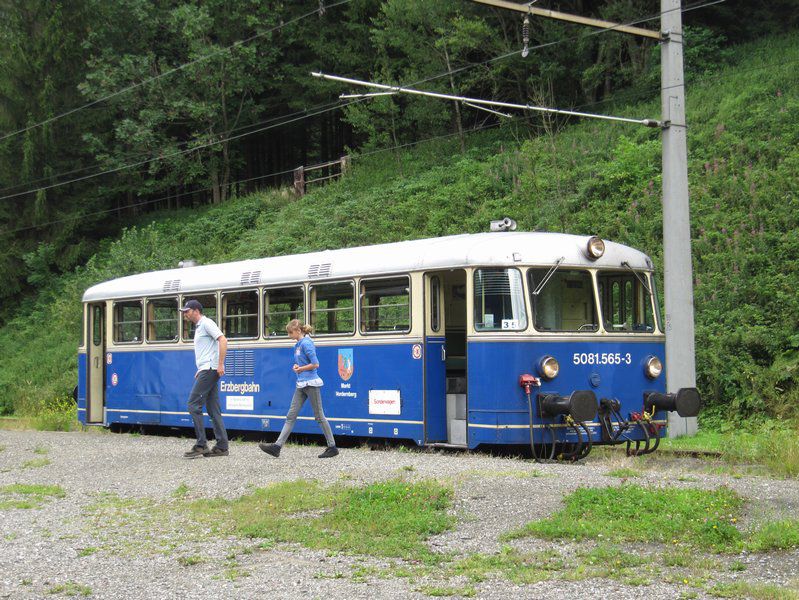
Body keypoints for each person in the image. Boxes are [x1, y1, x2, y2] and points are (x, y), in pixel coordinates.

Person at [259, 319, 339, 459]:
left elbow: (315, 364)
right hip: (301, 383)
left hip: (311, 384)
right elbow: (303, 362)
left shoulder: (307, 343)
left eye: (291, 332)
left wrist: (300, 368)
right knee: (291, 415)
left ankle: (332, 447)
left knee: (319, 416)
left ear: (298, 331)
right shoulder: (298, 344)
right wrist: (297, 367)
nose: (289, 335)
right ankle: (277, 447)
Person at [180, 299, 229, 458]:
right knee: (213, 409)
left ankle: (201, 444)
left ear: (195, 310)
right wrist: (200, 369)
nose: (185, 314)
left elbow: (222, 340)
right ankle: (222, 446)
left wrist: (220, 364)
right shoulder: (199, 327)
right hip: (207, 369)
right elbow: (208, 350)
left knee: (193, 404)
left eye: (187, 311)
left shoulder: (206, 323)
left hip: (210, 369)